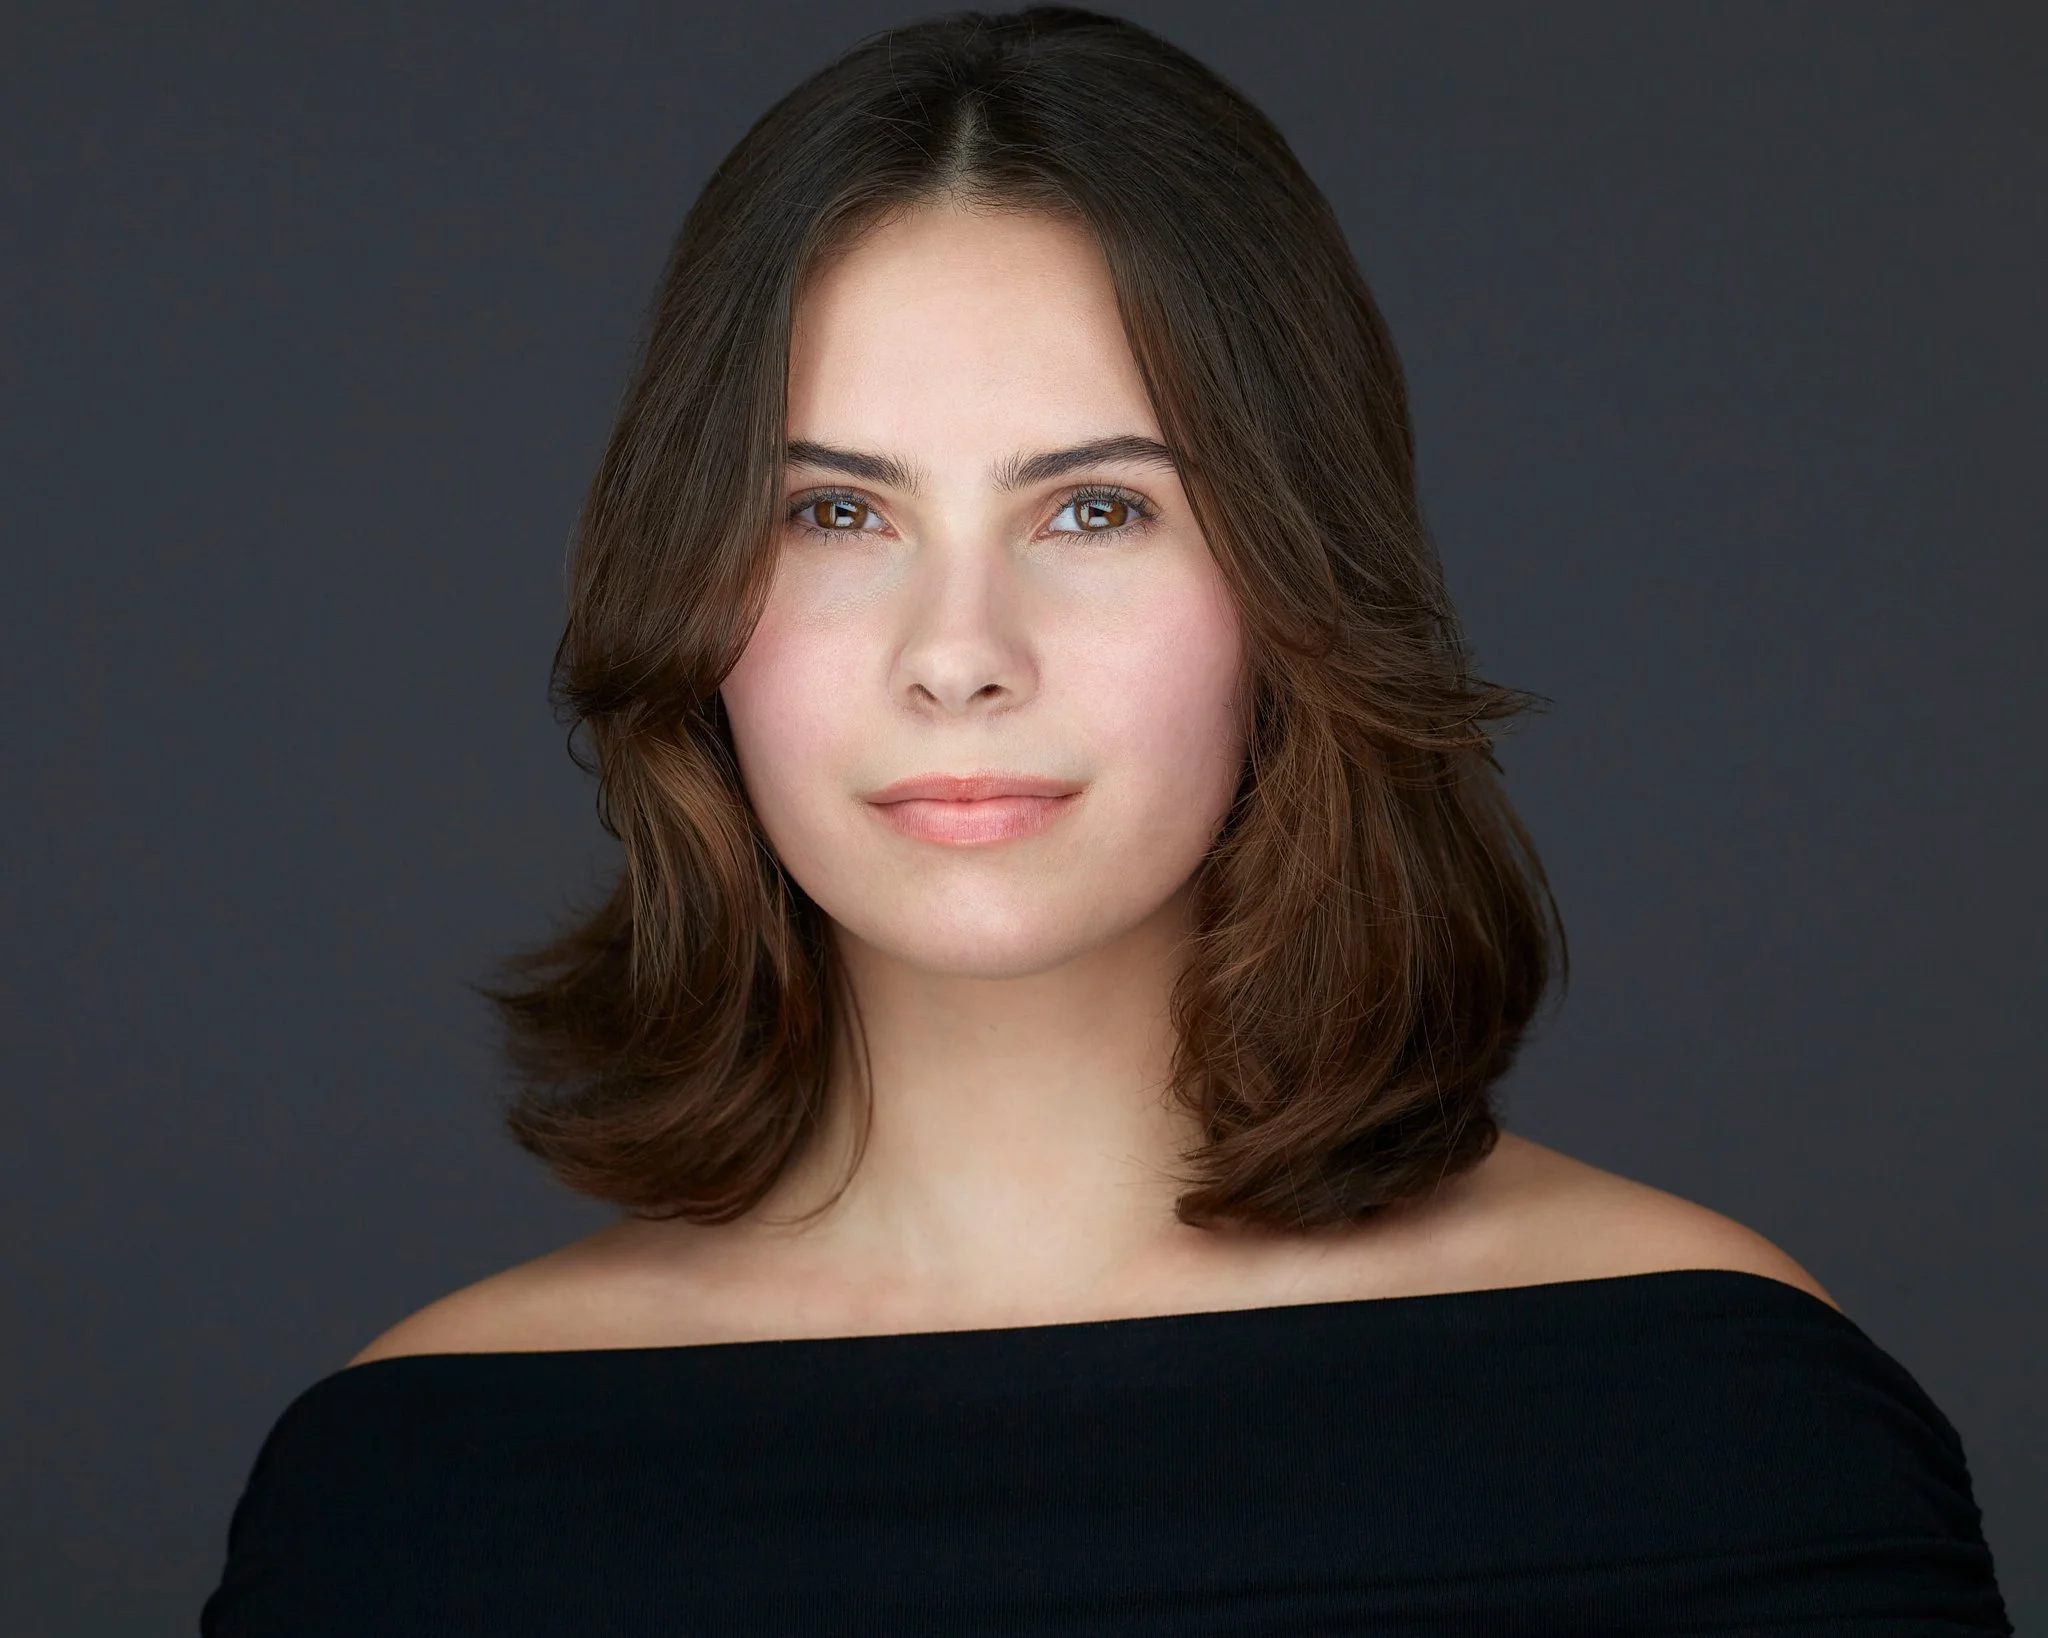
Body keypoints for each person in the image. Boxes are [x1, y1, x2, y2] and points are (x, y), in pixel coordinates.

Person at [199, 7, 2010, 1633]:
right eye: (836, 516)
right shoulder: (418, 1493)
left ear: (1297, 580)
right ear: (688, 602)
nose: (958, 655)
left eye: (1095, 512)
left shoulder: (1716, 1424)